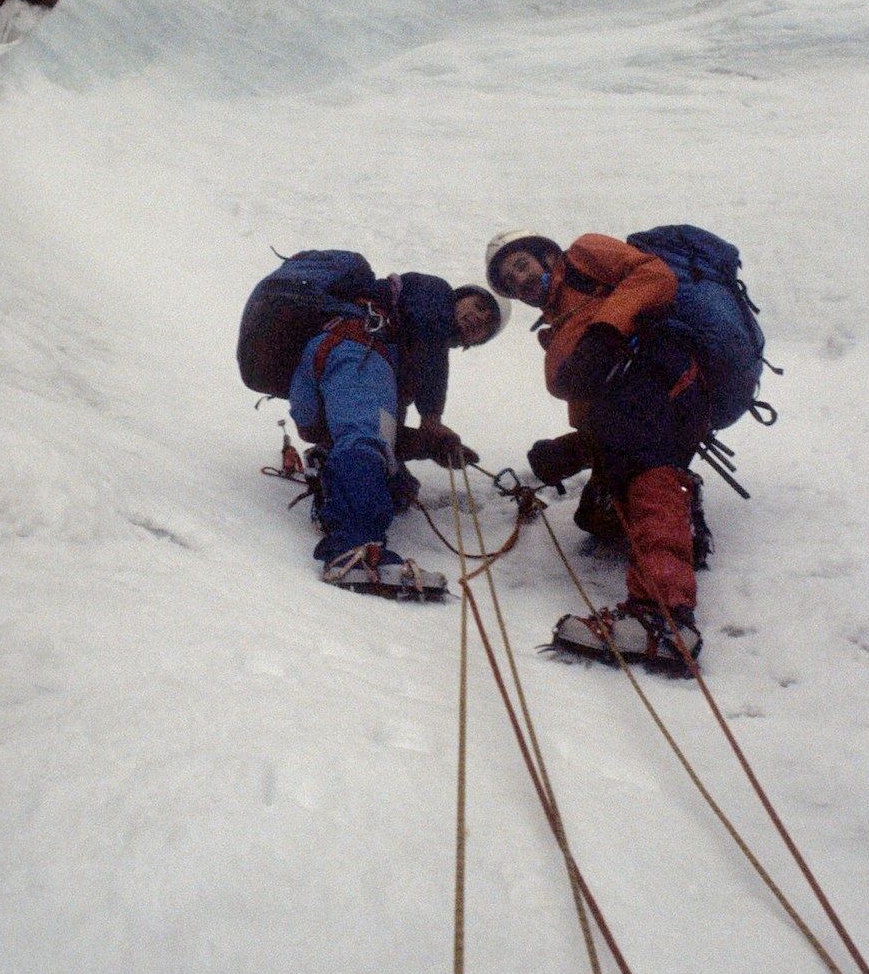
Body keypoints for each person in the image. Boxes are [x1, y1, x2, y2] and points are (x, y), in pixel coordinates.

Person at [486, 228, 709, 672]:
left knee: (646, 472)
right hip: (629, 404)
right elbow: (589, 410)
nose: (520, 280)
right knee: (598, 518)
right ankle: (682, 512)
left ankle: (662, 616)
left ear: (548, 255)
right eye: (510, 281)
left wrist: (607, 330)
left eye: (521, 265)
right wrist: (570, 450)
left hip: (653, 374)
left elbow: (654, 274)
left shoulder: (586, 255)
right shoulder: (556, 329)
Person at [289, 271, 507, 594]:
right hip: (359, 348)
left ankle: (334, 487)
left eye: (486, 325)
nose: (477, 317)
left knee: (387, 473)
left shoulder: (409, 354)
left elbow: (384, 434)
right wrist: (432, 418)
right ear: (458, 297)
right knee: (365, 443)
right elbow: (371, 432)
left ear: (473, 345)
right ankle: (355, 551)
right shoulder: (435, 291)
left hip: (325, 360)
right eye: (476, 305)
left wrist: (425, 446)